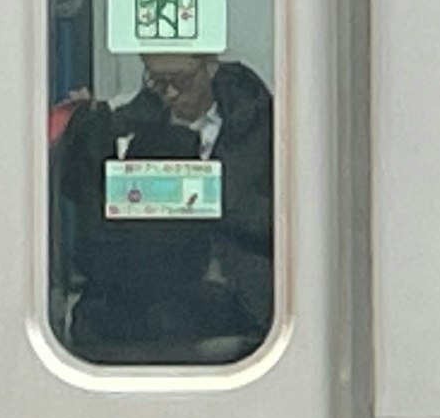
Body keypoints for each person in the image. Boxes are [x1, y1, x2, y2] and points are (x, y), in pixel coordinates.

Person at [52, 50, 276, 365]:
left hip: (239, 306)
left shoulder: (259, 126)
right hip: (141, 302)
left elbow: (271, 218)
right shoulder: (127, 126)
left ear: (210, 68)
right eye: (157, 81)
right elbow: (90, 224)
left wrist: (209, 199)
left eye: (181, 81)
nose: (170, 93)